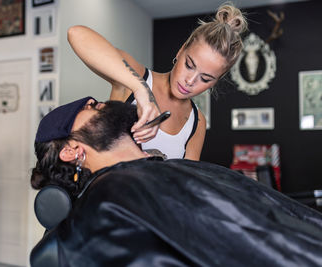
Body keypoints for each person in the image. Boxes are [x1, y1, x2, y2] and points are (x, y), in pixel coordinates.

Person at [30, 97, 322, 266]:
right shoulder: (117, 191)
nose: (103, 102)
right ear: (70, 150)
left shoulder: (149, 174)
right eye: (92, 107)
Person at [67, 2, 247, 160]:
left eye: (206, 78)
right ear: (181, 50)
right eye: (189, 65)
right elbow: (76, 34)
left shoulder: (196, 121)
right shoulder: (136, 76)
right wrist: (141, 90)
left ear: (216, 80)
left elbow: (185, 181)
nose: (190, 81)